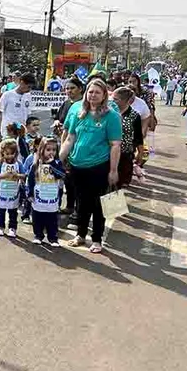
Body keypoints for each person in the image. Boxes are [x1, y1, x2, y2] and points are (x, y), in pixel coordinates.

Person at [60, 78, 122, 254]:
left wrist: (113, 170)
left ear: (104, 96)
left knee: (98, 205)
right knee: (81, 202)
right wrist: (58, 160)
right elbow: (70, 138)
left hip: (99, 167)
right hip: (77, 166)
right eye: (90, 92)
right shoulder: (78, 112)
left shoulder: (111, 116)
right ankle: (80, 235)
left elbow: (115, 145)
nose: (93, 95)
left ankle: (96, 239)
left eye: (97, 92)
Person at [27, 137, 65, 246]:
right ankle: (38, 235)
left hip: (51, 197)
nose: (51, 152)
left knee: (52, 219)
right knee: (38, 217)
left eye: (54, 150)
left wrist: (52, 164)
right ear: (42, 150)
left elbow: (61, 175)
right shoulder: (36, 164)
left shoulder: (57, 163)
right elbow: (30, 179)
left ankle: (53, 238)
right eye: (48, 150)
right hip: (39, 197)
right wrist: (29, 193)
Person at [111, 87, 144, 188]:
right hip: (109, 153)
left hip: (125, 155)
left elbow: (138, 136)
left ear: (125, 101)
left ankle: (116, 202)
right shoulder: (109, 113)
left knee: (119, 183)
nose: (112, 101)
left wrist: (140, 153)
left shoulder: (134, 116)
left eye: (116, 99)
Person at [0, 138, 25, 238]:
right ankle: (0, 226)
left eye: (12, 153)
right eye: (7, 153)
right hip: (2, 191)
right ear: (3, 153)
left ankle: (12, 227)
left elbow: (24, 175)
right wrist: (3, 175)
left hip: (13, 191)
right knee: (1, 210)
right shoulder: (0, 163)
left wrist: (17, 175)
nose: (10, 156)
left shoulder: (18, 164)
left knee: (13, 211)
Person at [0, 72, 35, 144]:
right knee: (8, 153)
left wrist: (30, 131)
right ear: (21, 82)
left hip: (22, 132)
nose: (29, 89)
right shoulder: (7, 95)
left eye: (31, 87)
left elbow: (28, 116)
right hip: (8, 132)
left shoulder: (28, 96)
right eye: (28, 87)